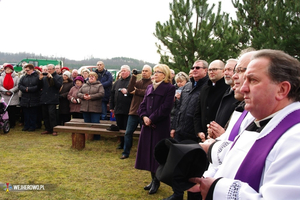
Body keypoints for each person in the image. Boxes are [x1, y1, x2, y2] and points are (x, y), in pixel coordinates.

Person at [190, 49, 300, 199]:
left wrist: (217, 189)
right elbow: (231, 163)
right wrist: (208, 180)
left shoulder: (295, 139)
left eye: (253, 80)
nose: (243, 88)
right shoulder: (259, 122)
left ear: (282, 89)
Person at [166, 60, 209, 200]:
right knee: (177, 166)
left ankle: (194, 196)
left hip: (194, 134)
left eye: (198, 67)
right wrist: (173, 127)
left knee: (193, 170)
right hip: (180, 131)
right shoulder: (187, 86)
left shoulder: (207, 87)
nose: (194, 69)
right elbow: (178, 109)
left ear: (205, 70)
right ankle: (177, 194)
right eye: (193, 67)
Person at [135, 64, 175, 195]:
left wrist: (151, 118)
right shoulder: (149, 87)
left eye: (159, 72)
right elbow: (142, 105)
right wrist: (144, 116)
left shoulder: (169, 88)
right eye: (155, 71)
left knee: (157, 154)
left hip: (159, 127)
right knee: (148, 153)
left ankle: (157, 181)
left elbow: (166, 108)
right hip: (147, 127)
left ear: (165, 74)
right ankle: (152, 179)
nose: (155, 74)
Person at [120, 65, 152, 159]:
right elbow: (129, 90)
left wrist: (137, 91)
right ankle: (126, 152)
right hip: (133, 112)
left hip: (145, 113)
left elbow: (148, 92)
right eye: (143, 71)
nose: (144, 72)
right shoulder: (138, 82)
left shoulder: (152, 83)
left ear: (150, 73)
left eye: (146, 71)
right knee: (128, 133)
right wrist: (133, 76)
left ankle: (144, 154)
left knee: (145, 135)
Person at [194, 60, 229, 141]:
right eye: (210, 70)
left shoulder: (227, 89)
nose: (211, 72)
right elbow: (197, 112)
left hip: (219, 136)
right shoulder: (205, 88)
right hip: (203, 136)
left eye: (215, 69)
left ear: (223, 71)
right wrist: (199, 131)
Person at [109, 65, 133, 149]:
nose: (122, 72)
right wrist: (112, 106)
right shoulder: (117, 82)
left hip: (128, 109)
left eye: (124, 71)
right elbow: (112, 94)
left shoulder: (132, 81)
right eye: (121, 71)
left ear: (129, 72)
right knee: (120, 127)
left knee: (127, 129)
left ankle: (128, 144)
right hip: (118, 109)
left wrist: (128, 92)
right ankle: (122, 143)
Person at [39, 64, 63, 136]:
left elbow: (58, 85)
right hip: (44, 98)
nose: (48, 71)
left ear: (53, 69)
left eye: (50, 69)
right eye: (47, 69)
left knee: (52, 114)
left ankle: (54, 129)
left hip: (53, 99)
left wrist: (52, 78)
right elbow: (39, 87)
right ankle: (47, 129)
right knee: (45, 115)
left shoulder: (58, 77)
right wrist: (40, 79)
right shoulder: (44, 78)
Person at [18, 64, 40, 131]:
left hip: (34, 97)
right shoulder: (24, 77)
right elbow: (20, 85)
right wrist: (25, 89)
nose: (26, 71)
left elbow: (38, 86)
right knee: (26, 113)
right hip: (25, 98)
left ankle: (32, 126)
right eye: (26, 70)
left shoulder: (37, 77)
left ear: (32, 69)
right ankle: (26, 125)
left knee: (33, 113)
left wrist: (29, 89)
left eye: (28, 70)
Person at [0, 64, 20, 128]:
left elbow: (17, 85)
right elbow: (0, 86)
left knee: (12, 110)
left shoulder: (16, 77)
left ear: (12, 70)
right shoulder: (1, 77)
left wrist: (11, 91)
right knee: (5, 110)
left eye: (9, 69)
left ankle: (12, 123)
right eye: (6, 69)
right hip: (4, 95)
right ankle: (5, 122)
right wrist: (5, 91)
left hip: (13, 96)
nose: (7, 70)